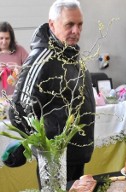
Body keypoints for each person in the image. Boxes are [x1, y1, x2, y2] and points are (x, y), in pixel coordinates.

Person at [8, 0, 95, 181]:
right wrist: (44, 145)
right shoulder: (41, 59)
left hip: (76, 153)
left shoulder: (72, 54)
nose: (76, 31)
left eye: (80, 25)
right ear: (52, 24)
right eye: (69, 24)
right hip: (55, 159)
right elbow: (17, 108)